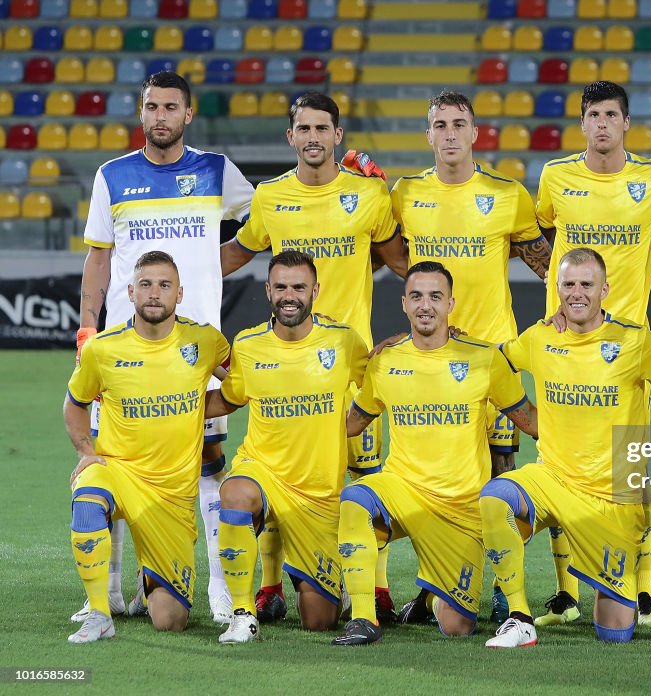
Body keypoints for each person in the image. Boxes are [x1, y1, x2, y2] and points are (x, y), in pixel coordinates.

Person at [74, 71, 252, 624]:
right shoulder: (113, 175)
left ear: (188, 114)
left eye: (170, 107)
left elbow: (257, 225)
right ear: (142, 112)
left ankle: (221, 586)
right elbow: (99, 257)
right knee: (112, 458)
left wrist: (212, 273)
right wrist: (86, 326)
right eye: (151, 106)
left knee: (209, 461)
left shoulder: (217, 171)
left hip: (195, 347)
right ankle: (106, 593)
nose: (159, 116)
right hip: (126, 347)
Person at [220, 91, 404, 624]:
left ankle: (377, 588)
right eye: (304, 128)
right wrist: (178, 279)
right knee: (280, 466)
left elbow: (400, 262)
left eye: (323, 128)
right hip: (288, 352)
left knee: (363, 476)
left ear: (337, 136)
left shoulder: (369, 196)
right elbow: (238, 252)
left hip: (352, 361)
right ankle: (269, 586)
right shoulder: (271, 196)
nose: (313, 137)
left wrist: (434, 313)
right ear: (291, 137)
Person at [479, 248, 651, 648]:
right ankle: (518, 616)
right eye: (568, 284)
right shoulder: (541, 336)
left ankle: (610, 592)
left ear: (605, 289)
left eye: (586, 284)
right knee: (495, 498)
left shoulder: (634, 342)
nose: (576, 292)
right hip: (551, 478)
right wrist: (525, 417)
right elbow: (491, 362)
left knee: (614, 632)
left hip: (609, 500)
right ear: (556, 288)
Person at [390, 89, 551, 621]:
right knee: (429, 475)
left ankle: (506, 592)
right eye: (441, 124)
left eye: (460, 123)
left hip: (494, 355)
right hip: (432, 358)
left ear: (475, 132)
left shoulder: (508, 195)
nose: (450, 133)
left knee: (501, 473)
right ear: (429, 134)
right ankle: (437, 583)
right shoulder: (404, 194)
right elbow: (395, 262)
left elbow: (545, 267)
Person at [533, 81, 651, 628]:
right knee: (561, 466)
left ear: (626, 123)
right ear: (582, 124)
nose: (601, 124)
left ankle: (640, 591)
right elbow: (545, 241)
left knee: (629, 471)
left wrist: (635, 285)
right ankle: (565, 594)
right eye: (592, 114)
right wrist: (561, 301)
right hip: (565, 347)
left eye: (610, 114)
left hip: (626, 350)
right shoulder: (556, 177)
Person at [331, 261, 537, 646]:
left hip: (460, 506)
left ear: (451, 304)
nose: (426, 305)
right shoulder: (385, 360)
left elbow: (530, 420)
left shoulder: (484, 358)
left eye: (435, 297)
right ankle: (363, 617)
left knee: (457, 626)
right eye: (417, 296)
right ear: (404, 304)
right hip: (403, 490)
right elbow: (351, 423)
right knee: (355, 500)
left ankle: (429, 597)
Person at [65, 251, 230, 643]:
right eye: (146, 284)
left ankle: (149, 581)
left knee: (169, 621)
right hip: (119, 473)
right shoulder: (103, 349)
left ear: (179, 293)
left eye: (164, 285)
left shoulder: (204, 340)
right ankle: (100, 612)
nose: (154, 293)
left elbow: (240, 382)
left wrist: (199, 407)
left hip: (171, 497)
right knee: (88, 490)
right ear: (130, 291)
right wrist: (86, 452)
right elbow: (75, 403)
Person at [204, 250, 369, 643]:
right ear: (268, 290)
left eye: (298, 286)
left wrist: (350, 425)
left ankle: (329, 586)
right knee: (235, 493)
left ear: (316, 290)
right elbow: (229, 397)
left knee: (318, 620)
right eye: (280, 287)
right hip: (263, 470)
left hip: (317, 493)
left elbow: (382, 382)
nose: (289, 295)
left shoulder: (344, 342)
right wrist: (174, 406)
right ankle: (243, 614)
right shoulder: (248, 343)